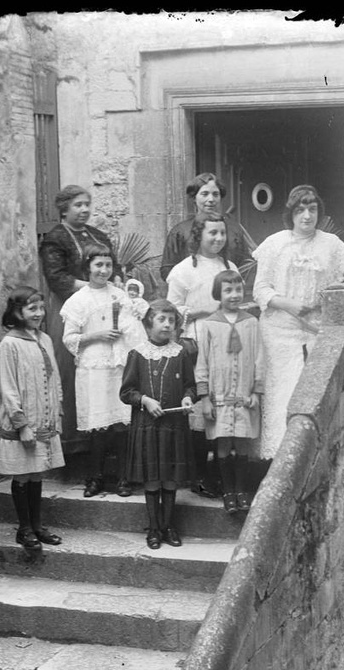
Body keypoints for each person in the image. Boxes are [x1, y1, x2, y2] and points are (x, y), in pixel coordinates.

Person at [252, 184, 344, 461]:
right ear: (291, 213)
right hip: (279, 329)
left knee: (312, 391)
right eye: (300, 210)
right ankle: (278, 456)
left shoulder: (330, 243)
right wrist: (290, 305)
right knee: (283, 390)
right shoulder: (275, 244)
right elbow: (261, 290)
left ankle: (309, 456)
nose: (307, 216)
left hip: (316, 328)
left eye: (312, 209)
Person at [61, 244, 145, 498]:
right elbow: (69, 338)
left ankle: (123, 477)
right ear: (87, 267)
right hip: (93, 367)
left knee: (121, 425)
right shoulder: (78, 300)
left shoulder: (120, 295)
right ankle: (94, 477)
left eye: (108, 265)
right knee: (98, 427)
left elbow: (133, 330)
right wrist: (97, 334)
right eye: (98, 265)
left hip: (118, 365)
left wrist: (133, 323)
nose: (104, 270)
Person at [166, 211, 238, 499]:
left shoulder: (228, 265)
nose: (218, 238)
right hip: (195, 343)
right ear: (198, 236)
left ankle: (216, 473)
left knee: (218, 406)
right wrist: (202, 311)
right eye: (212, 233)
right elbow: (169, 311)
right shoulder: (184, 270)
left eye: (222, 233)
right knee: (199, 409)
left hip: (224, 342)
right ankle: (197, 475)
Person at [39, 185, 117, 449]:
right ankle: (74, 441)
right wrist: (94, 286)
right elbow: (57, 278)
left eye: (87, 204)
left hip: (102, 308)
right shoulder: (55, 239)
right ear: (64, 208)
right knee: (70, 368)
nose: (84, 210)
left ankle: (106, 435)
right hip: (68, 307)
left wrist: (108, 286)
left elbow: (112, 268)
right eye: (78, 205)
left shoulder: (99, 236)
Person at [120, 299, 197, 550]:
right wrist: (144, 400)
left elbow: (189, 384)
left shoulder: (181, 353)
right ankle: (153, 528)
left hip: (173, 426)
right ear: (148, 323)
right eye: (161, 319)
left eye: (171, 320)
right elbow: (126, 392)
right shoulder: (137, 354)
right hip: (147, 427)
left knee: (170, 479)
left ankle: (168, 526)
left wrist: (187, 397)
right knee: (152, 479)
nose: (167, 325)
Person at [0, 287, 65, 549]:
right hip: (24, 421)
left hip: (44, 419)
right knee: (23, 475)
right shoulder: (9, 344)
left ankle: (38, 525)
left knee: (37, 474)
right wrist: (21, 425)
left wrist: (57, 409)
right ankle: (24, 529)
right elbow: (9, 388)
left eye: (40, 308)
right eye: (31, 308)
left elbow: (53, 376)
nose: (38, 313)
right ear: (17, 312)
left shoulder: (44, 339)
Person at [195, 269, 264, 515]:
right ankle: (228, 492)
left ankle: (242, 491)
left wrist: (256, 391)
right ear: (218, 294)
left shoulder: (251, 322)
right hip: (219, 398)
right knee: (223, 444)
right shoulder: (210, 325)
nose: (234, 295)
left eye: (237, 290)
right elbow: (202, 362)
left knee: (243, 443)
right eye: (228, 290)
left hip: (244, 397)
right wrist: (205, 397)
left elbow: (259, 358)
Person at [161, 173, 256, 297]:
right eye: (205, 194)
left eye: (215, 194)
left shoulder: (233, 229)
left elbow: (245, 263)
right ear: (194, 197)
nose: (211, 199)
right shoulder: (180, 231)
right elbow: (167, 270)